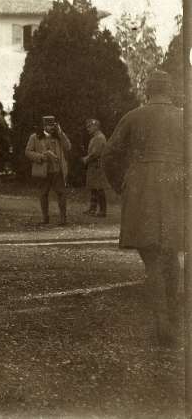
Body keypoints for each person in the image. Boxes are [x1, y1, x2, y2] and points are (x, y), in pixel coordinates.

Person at [102, 70, 183, 346]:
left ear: (148, 91)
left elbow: (109, 154)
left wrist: (121, 184)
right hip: (175, 190)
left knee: (152, 259)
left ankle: (162, 320)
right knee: (171, 253)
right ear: (169, 90)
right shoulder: (184, 117)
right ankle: (172, 317)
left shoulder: (133, 116)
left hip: (142, 190)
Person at [25, 116, 71, 225]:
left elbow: (68, 147)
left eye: (53, 125)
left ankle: (63, 219)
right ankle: (45, 218)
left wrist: (61, 133)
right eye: (49, 126)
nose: (52, 128)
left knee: (61, 193)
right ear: (44, 126)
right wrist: (41, 157)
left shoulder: (59, 136)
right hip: (43, 171)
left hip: (57, 170)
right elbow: (28, 152)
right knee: (43, 194)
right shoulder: (35, 137)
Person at [82, 118, 109, 217]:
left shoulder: (99, 138)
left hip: (97, 166)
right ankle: (92, 209)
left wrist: (86, 159)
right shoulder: (95, 137)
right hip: (93, 166)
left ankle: (102, 211)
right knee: (93, 188)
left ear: (96, 127)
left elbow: (95, 153)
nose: (88, 129)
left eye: (90, 126)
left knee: (99, 188)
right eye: (87, 127)